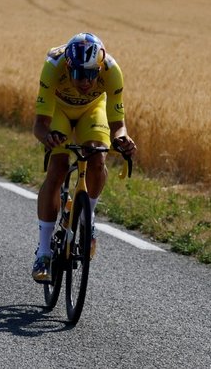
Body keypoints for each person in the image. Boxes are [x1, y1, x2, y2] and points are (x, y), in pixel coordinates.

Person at [31, 32, 137, 283]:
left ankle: (87, 220)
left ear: (99, 68)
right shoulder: (53, 67)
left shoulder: (112, 71)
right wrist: (48, 138)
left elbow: (118, 124)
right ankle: (44, 252)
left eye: (91, 74)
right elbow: (40, 125)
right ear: (69, 67)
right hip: (59, 110)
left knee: (97, 156)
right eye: (79, 74)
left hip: (93, 110)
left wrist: (124, 139)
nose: (86, 82)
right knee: (57, 169)